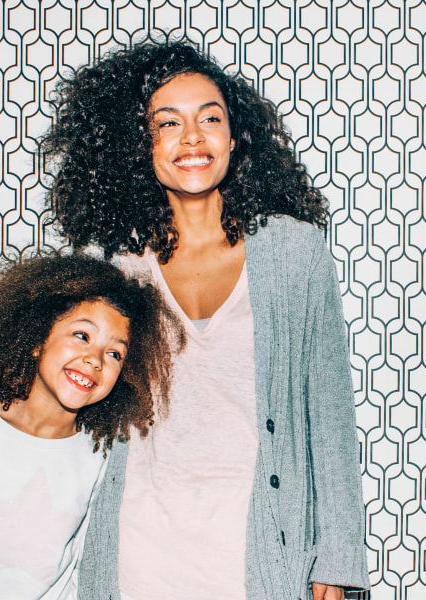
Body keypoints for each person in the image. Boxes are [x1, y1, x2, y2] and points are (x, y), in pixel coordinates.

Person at [42, 41, 368, 599]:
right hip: (138, 546)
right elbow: (37, 385)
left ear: (235, 138)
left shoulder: (295, 251)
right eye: (168, 123)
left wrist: (335, 560)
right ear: (141, 145)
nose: (192, 137)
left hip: (258, 544)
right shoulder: (112, 263)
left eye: (209, 118)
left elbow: (329, 414)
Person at [0, 254, 181, 599]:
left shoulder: (101, 453)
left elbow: (85, 560)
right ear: (35, 337)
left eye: (115, 353)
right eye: (82, 335)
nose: (95, 359)